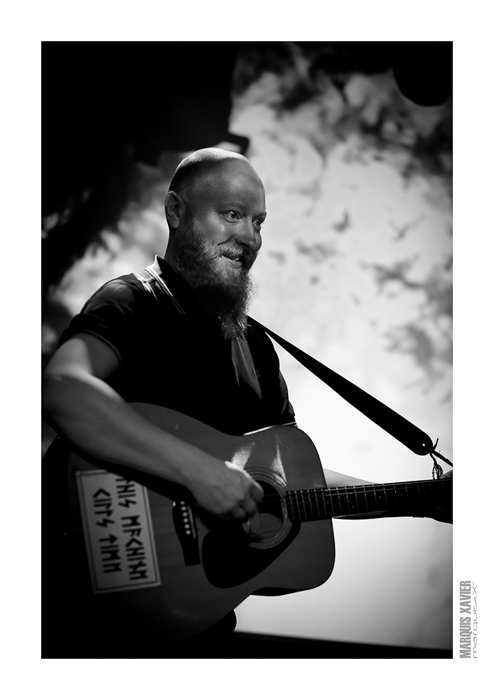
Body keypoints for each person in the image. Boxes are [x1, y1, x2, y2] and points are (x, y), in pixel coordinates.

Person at [42, 147, 451, 658]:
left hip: (193, 633)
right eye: (231, 215)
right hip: (83, 616)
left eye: (258, 222)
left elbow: (291, 481)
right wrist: (199, 473)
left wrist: (412, 500)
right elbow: (63, 388)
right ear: (175, 211)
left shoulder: (253, 347)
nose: (250, 237)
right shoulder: (131, 302)